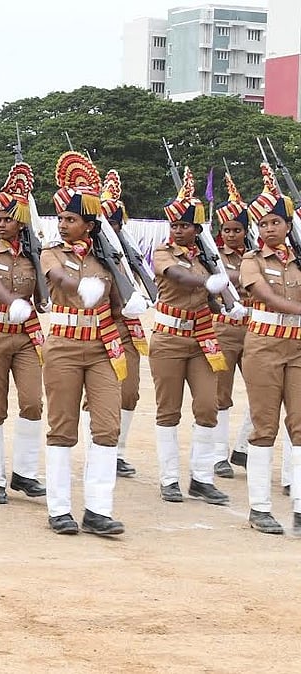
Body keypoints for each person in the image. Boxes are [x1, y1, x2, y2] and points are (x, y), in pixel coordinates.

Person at [40, 151, 141, 536]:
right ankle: (60, 508)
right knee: (63, 427)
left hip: (102, 346)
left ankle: (98, 509)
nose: (64, 225)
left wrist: (131, 302)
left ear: (90, 224)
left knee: (106, 427)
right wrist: (78, 285)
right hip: (64, 345)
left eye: (71, 219)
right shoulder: (52, 251)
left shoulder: (108, 258)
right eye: (62, 218)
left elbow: (118, 303)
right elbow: (55, 276)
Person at [149, 168, 232, 506]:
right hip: (169, 338)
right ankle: (169, 478)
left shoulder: (207, 257)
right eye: (175, 225)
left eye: (185, 226)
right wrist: (209, 282)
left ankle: (201, 477)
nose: (178, 230)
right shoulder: (163, 252)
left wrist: (226, 302)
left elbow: (212, 296)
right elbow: (178, 276)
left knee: (208, 406)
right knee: (168, 410)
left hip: (202, 338)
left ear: (197, 230)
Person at [0, 162, 47, 505]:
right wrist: (10, 301)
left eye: (7, 219)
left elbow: (47, 292)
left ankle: (25, 474)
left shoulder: (36, 255)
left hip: (25, 337)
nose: (0, 224)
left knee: (33, 402)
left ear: (22, 221)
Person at [240, 164, 301, 534]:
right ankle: (259, 507)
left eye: (274, 223)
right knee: (264, 426)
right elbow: (261, 293)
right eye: (262, 225)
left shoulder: (299, 261)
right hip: (263, 347)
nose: (267, 230)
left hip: (297, 348)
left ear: (288, 224)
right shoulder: (252, 260)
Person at [93, 173, 142, 478]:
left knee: (130, 391)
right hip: (97, 328)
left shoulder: (127, 254)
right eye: (108, 224)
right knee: (99, 395)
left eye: (117, 224)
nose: (114, 230)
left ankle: (118, 451)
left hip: (125, 328)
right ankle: (99, 449)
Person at [212, 172, 254, 477]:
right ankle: (218, 455)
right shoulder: (214, 257)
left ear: (245, 231)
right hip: (224, 329)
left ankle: (242, 448)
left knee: (262, 391)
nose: (230, 235)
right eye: (225, 229)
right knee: (220, 393)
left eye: (236, 230)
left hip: (254, 330)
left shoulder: (256, 256)